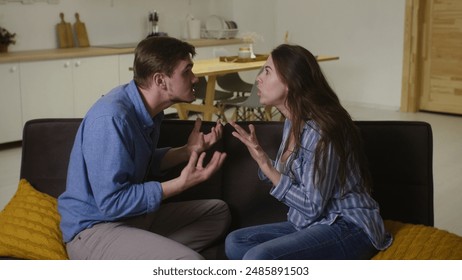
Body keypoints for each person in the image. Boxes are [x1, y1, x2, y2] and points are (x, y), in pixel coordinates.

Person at [58, 36, 230, 260]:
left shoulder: (150, 111)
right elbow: (112, 203)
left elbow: (140, 160)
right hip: (95, 229)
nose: (195, 79)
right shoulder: (111, 118)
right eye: (186, 71)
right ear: (160, 80)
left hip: (132, 219)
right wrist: (180, 184)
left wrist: (187, 151)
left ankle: (143, 256)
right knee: (191, 263)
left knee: (217, 213)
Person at [225, 44, 392, 260]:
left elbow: (311, 206)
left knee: (259, 258)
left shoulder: (323, 129)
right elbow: (292, 185)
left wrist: (267, 166)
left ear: (290, 81)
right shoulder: (291, 122)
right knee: (236, 242)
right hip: (310, 224)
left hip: (349, 226)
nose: (259, 78)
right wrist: (262, 159)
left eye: (267, 71)